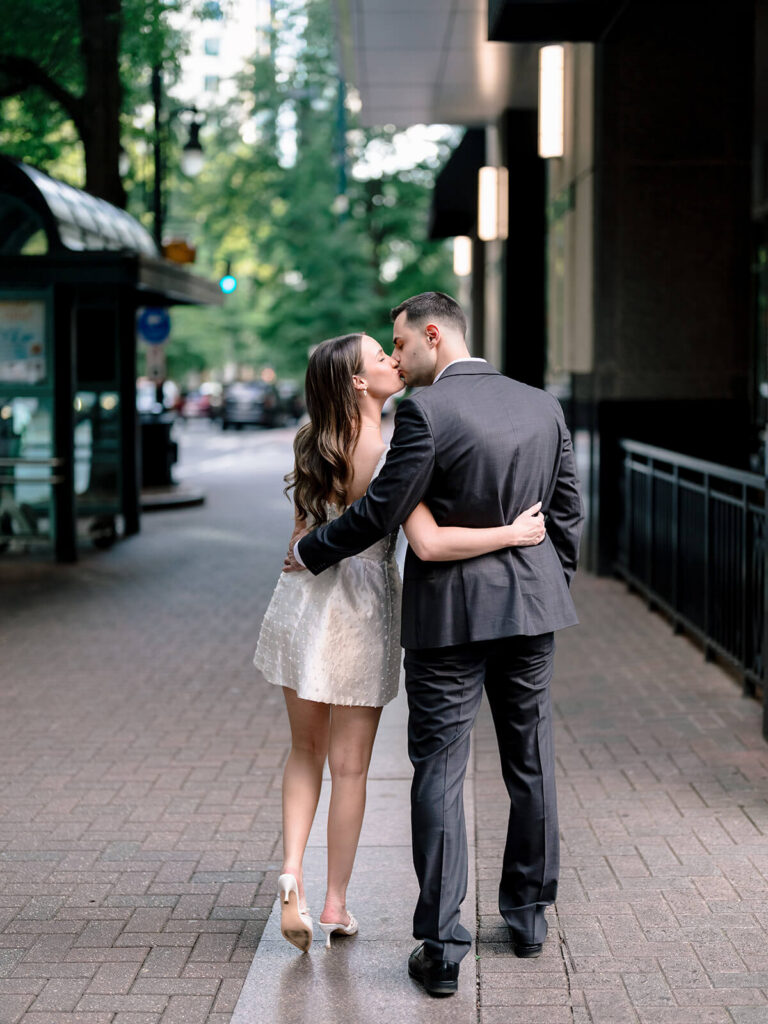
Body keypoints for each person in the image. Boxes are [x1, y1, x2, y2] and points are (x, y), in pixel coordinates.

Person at [289, 293, 584, 996]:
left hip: (449, 620)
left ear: (431, 334)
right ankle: (529, 913)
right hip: (532, 610)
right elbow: (568, 507)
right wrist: (545, 581)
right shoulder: (541, 404)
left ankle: (443, 946)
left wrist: (313, 549)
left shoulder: (429, 412)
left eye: (400, 342)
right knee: (530, 760)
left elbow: (384, 510)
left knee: (441, 775)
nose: (397, 356)